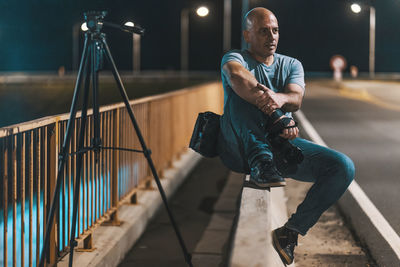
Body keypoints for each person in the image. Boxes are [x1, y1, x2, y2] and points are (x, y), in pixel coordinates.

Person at [217, 7, 355, 265]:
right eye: (263, 31)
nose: (272, 36)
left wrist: (278, 102)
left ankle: (290, 232)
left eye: (275, 30)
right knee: (241, 95)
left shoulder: (291, 64)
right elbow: (237, 75)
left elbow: (295, 98)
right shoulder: (235, 57)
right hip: (237, 147)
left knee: (342, 166)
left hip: (277, 150)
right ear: (247, 35)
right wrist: (279, 116)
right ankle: (260, 160)